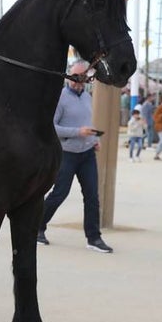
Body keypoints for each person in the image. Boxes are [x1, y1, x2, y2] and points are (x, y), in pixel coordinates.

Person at [37, 60, 113, 253]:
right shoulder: (60, 98)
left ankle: (94, 238)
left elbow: (86, 123)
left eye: (81, 77)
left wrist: (93, 138)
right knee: (59, 194)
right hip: (67, 154)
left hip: (87, 154)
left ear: (87, 78)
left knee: (92, 197)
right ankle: (37, 227)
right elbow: (52, 128)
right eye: (74, 76)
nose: (77, 80)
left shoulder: (87, 97)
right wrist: (79, 132)